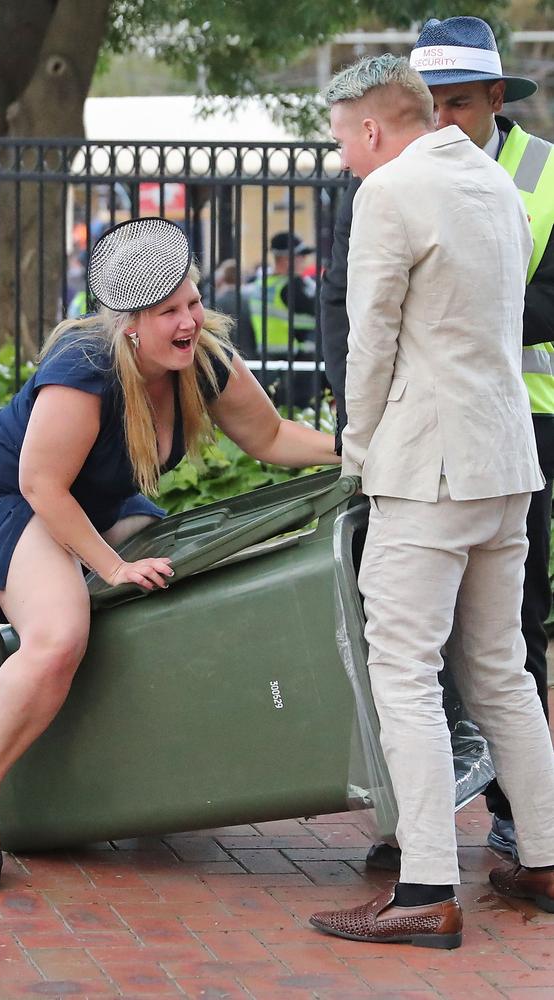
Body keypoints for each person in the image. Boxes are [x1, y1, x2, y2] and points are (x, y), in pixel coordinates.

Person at [0, 216, 340, 891]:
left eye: (191, 303)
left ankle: (151, 766)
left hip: (97, 499)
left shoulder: (204, 356)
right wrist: (111, 567)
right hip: (7, 500)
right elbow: (40, 483)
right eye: (169, 314)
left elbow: (271, 437)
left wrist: (363, 450)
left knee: (187, 582)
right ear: (130, 323)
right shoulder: (86, 368)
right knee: (62, 632)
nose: (189, 321)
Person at [309, 54, 554, 950]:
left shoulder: (392, 191)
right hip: (507, 462)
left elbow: (368, 339)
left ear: (373, 127)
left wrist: (359, 450)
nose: (342, 160)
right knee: (502, 670)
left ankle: (423, 888)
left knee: (403, 671)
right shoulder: (492, 178)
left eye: (342, 140)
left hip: (429, 468)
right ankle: (543, 856)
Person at [245, 232, 318, 407]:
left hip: (266, 359)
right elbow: (321, 311)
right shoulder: (294, 286)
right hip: (298, 360)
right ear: (286, 258)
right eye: (301, 256)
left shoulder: (262, 284)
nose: (304, 260)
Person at [211, 258, 256, 358]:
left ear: (222, 278)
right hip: (251, 354)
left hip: (224, 356)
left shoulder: (216, 301)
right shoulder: (250, 300)